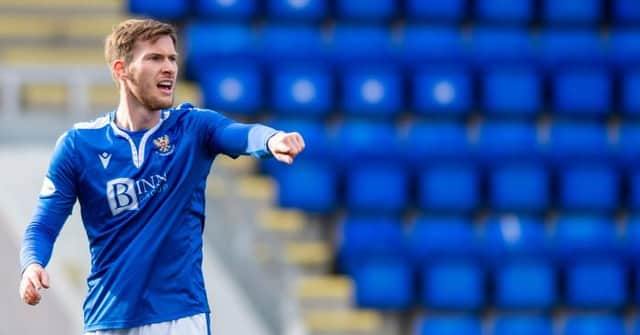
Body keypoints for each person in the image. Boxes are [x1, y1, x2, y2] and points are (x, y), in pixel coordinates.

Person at [18, 18, 304, 335]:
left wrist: (270, 140)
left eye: (172, 58)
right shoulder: (79, 146)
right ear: (121, 70)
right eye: (154, 58)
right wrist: (32, 265)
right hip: (108, 320)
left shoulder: (192, 128)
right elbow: (43, 225)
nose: (168, 67)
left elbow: (238, 133)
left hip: (180, 318)